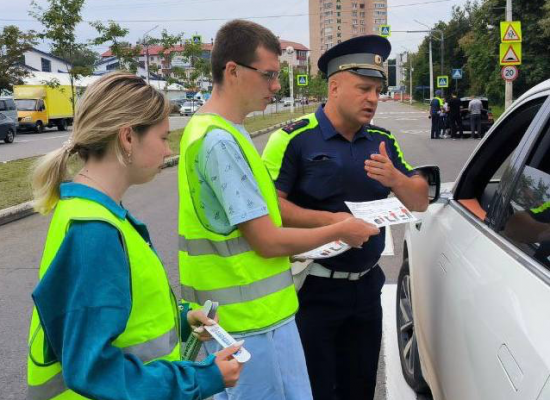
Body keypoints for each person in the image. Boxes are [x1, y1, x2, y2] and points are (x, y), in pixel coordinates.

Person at [177, 20, 380, 400]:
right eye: (268, 75)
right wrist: (340, 230)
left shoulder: (215, 130)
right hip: (251, 325)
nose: (275, 86)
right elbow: (266, 241)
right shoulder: (219, 141)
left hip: (243, 320)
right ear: (233, 71)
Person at [27, 72, 244, 400]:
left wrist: (184, 318)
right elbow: (93, 368)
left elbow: (119, 318)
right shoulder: (95, 232)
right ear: (128, 138)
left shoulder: (89, 212)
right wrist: (202, 377)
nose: (168, 151)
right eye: (162, 137)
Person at [262, 35, 430, 400]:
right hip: (312, 289)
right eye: (364, 88)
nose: (373, 99)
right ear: (334, 86)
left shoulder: (381, 140)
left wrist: (395, 178)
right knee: (315, 390)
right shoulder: (293, 138)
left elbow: (419, 199)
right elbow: (271, 207)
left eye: (377, 90)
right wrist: (334, 226)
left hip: (366, 287)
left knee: (360, 388)